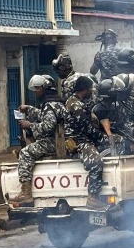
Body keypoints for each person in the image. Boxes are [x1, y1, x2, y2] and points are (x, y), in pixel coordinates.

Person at [9, 76, 65, 206]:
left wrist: (30, 126)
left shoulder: (50, 105)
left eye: (38, 88)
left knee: (25, 152)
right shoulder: (55, 102)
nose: (36, 91)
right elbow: (43, 116)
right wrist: (29, 109)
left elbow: (48, 127)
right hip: (59, 140)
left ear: (45, 88)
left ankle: (26, 193)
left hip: (55, 142)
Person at [64, 76, 108, 210]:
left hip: (84, 138)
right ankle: (93, 198)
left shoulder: (78, 102)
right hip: (79, 141)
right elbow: (87, 129)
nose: (92, 90)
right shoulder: (76, 105)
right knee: (96, 162)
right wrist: (102, 138)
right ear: (85, 89)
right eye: (91, 88)